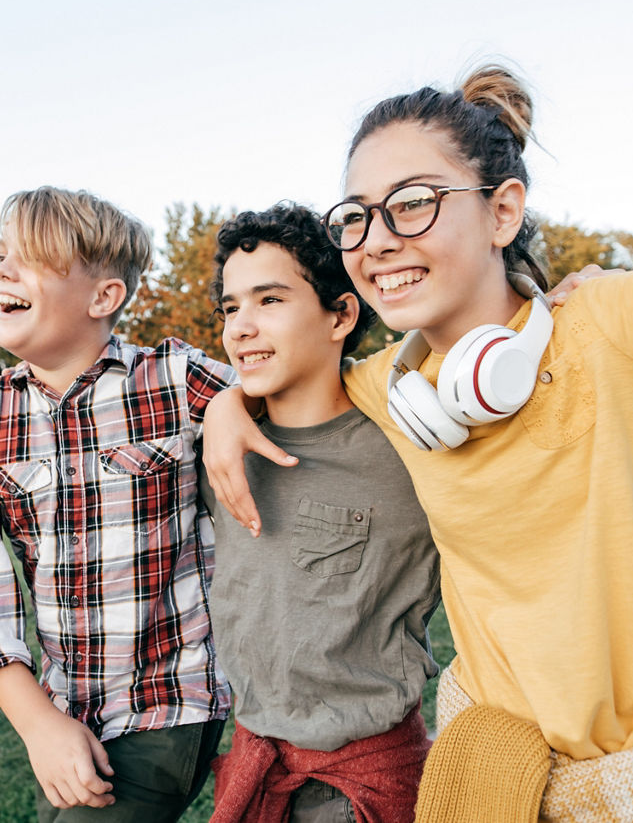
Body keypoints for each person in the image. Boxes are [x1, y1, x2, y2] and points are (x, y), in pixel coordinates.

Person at [204, 64, 633, 822]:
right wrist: (228, 404)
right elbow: (283, 359)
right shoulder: (391, 387)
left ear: (502, 214)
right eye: (357, 217)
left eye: (413, 204)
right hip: (497, 785)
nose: (377, 241)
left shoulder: (620, 324)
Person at [0, 187, 235, 822]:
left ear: (104, 297)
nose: (1, 274)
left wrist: (236, 406)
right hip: (62, 711)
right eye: (0, 255)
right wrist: (39, 725)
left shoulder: (172, 381)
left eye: (32, 259)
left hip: (171, 702)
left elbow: (287, 383)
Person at [202, 203, 438, 822]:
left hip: (364, 779)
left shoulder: (407, 441)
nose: (241, 327)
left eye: (270, 300)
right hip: (257, 765)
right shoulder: (222, 450)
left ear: (341, 314)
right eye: (231, 308)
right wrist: (224, 407)